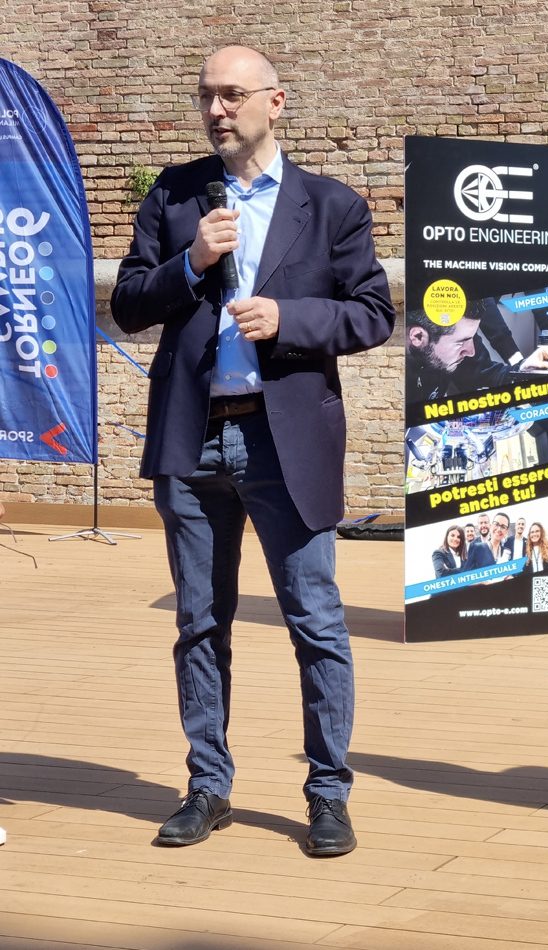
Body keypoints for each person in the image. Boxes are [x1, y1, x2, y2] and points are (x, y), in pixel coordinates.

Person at [111, 45, 395, 857]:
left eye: (233, 95)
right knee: (200, 623)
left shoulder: (331, 205)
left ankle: (328, 794)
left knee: (316, 620)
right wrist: (191, 261)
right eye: (207, 96)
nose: (216, 110)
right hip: (191, 437)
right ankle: (208, 787)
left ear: (276, 102)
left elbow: (373, 313)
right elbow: (128, 304)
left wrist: (291, 320)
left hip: (284, 440)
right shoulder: (175, 195)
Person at [407, 300, 548, 403]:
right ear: (418, 337)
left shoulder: (458, 337)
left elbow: (485, 375)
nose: (471, 351)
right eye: (461, 342)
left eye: (472, 338)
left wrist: (522, 369)